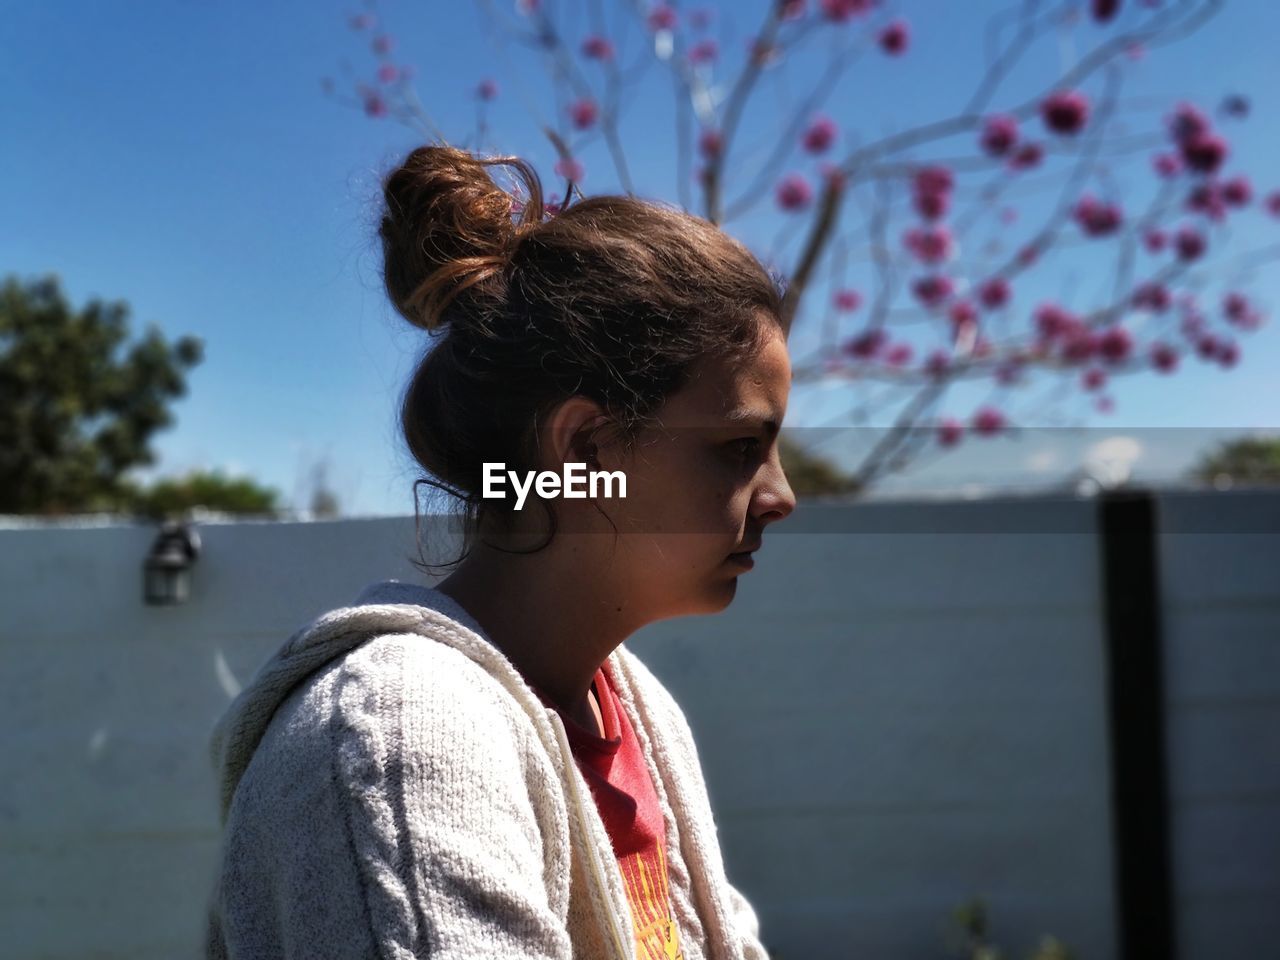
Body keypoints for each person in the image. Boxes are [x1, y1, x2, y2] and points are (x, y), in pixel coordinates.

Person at [204, 143, 797, 960]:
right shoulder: (402, 743)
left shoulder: (634, 713)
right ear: (584, 450)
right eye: (738, 447)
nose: (781, 495)